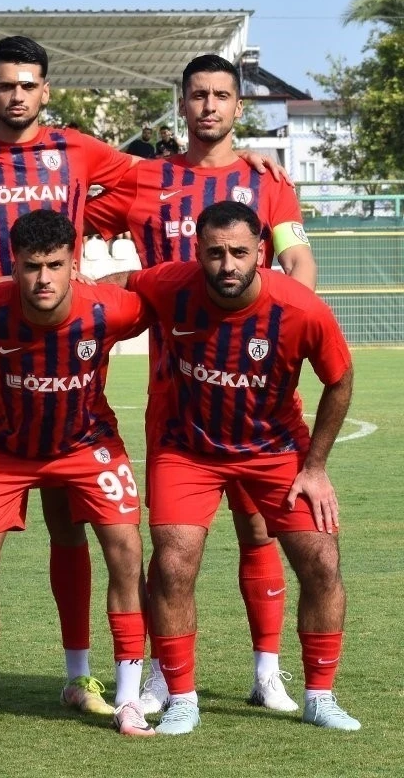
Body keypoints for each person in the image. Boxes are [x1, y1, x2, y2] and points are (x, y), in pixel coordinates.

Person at [0, 35, 286, 713]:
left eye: (28, 84)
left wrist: (245, 168)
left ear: (45, 90)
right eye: (5, 84)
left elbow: (165, 175)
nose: (16, 95)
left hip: (71, 352)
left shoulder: (80, 150)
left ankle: (81, 674)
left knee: (73, 524)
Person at [85, 53, 318, 715]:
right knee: (173, 549)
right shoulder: (145, 180)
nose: (209, 106)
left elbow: (298, 257)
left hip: (257, 392)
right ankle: (165, 673)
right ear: (182, 104)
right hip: (178, 394)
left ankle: (267, 672)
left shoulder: (267, 182)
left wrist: (288, 317)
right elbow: (71, 216)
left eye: (221, 95)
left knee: (259, 532)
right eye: (198, 95)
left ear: (238, 106)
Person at [101, 200, 359, 735]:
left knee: (322, 562)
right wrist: (73, 289)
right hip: (187, 450)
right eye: (215, 253)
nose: (228, 265)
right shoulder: (172, 284)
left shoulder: (300, 308)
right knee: (174, 564)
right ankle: (181, 698)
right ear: (197, 252)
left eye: (240, 252)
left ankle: (320, 696)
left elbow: (339, 379)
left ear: (261, 252)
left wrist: (315, 467)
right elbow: (120, 282)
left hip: (275, 450)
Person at [0, 210, 153, 739]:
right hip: (3, 449)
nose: (44, 278)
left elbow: (163, 293)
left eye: (55, 265)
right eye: (32, 267)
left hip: (87, 443)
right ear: (14, 267)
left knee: (126, 549)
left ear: (74, 265)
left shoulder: (109, 308)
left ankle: (128, 698)